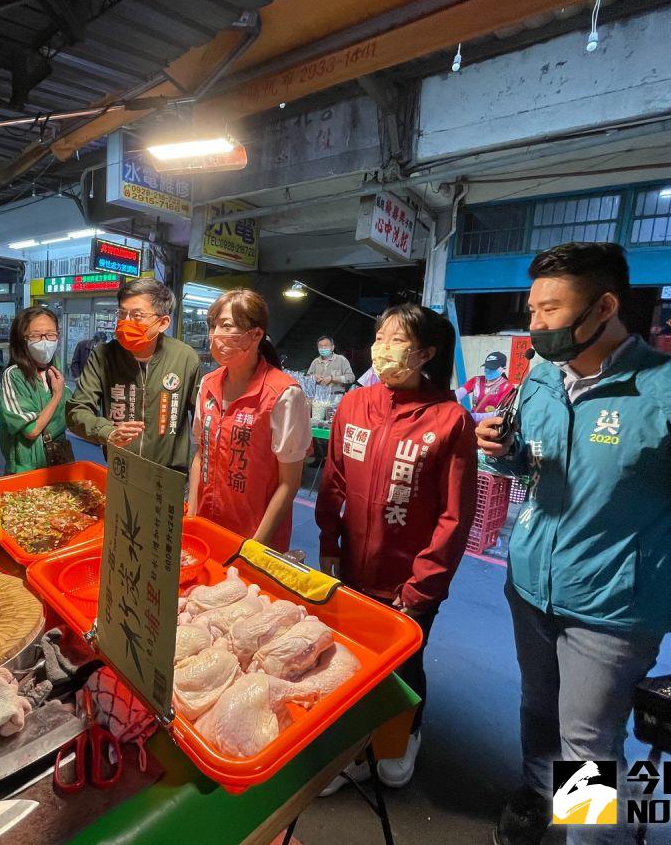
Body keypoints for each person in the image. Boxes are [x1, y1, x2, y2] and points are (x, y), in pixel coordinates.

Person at [479, 243, 671, 845]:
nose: (535, 325)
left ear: (604, 306)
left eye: (550, 310)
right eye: (532, 310)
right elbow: (533, 467)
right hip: (531, 585)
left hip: (612, 607)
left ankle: (589, 842)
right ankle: (537, 797)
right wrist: (502, 452)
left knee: (587, 744)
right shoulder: (542, 382)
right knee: (537, 710)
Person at [316, 303, 477, 792]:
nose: (383, 349)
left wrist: (422, 586)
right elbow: (334, 481)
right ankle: (354, 751)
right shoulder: (354, 405)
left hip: (409, 582)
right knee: (350, 663)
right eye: (379, 338)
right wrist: (329, 543)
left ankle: (402, 738)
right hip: (351, 571)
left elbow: (455, 515)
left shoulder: (450, 420)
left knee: (404, 667)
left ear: (425, 352)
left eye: (397, 340)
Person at [188, 289, 311, 551]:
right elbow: (202, 454)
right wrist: (191, 515)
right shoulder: (208, 385)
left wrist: (256, 546)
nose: (215, 335)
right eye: (213, 326)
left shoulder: (284, 394)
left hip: (254, 536)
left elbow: (289, 482)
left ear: (256, 335)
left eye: (226, 326)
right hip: (207, 526)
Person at [67, 277, 200, 472]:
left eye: (137, 315)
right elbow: (76, 411)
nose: (125, 322)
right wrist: (108, 432)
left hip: (171, 474)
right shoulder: (104, 355)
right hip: (120, 467)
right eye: (122, 313)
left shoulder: (185, 358)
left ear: (162, 322)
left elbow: (203, 420)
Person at [0, 306, 74, 474]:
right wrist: (57, 394)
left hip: (57, 457)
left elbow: (67, 415)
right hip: (27, 465)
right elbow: (32, 431)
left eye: (51, 334)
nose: (45, 341)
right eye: (36, 335)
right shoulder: (14, 375)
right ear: (22, 338)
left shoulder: (56, 367)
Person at [456, 350, 516, 422]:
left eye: (493, 368)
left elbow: (501, 412)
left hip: (491, 427)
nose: (488, 370)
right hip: (472, 424)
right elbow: (458, 394)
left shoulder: (508, 387)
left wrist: (475, 417)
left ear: (503, 369)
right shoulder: (476, 380)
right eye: (487, 367)